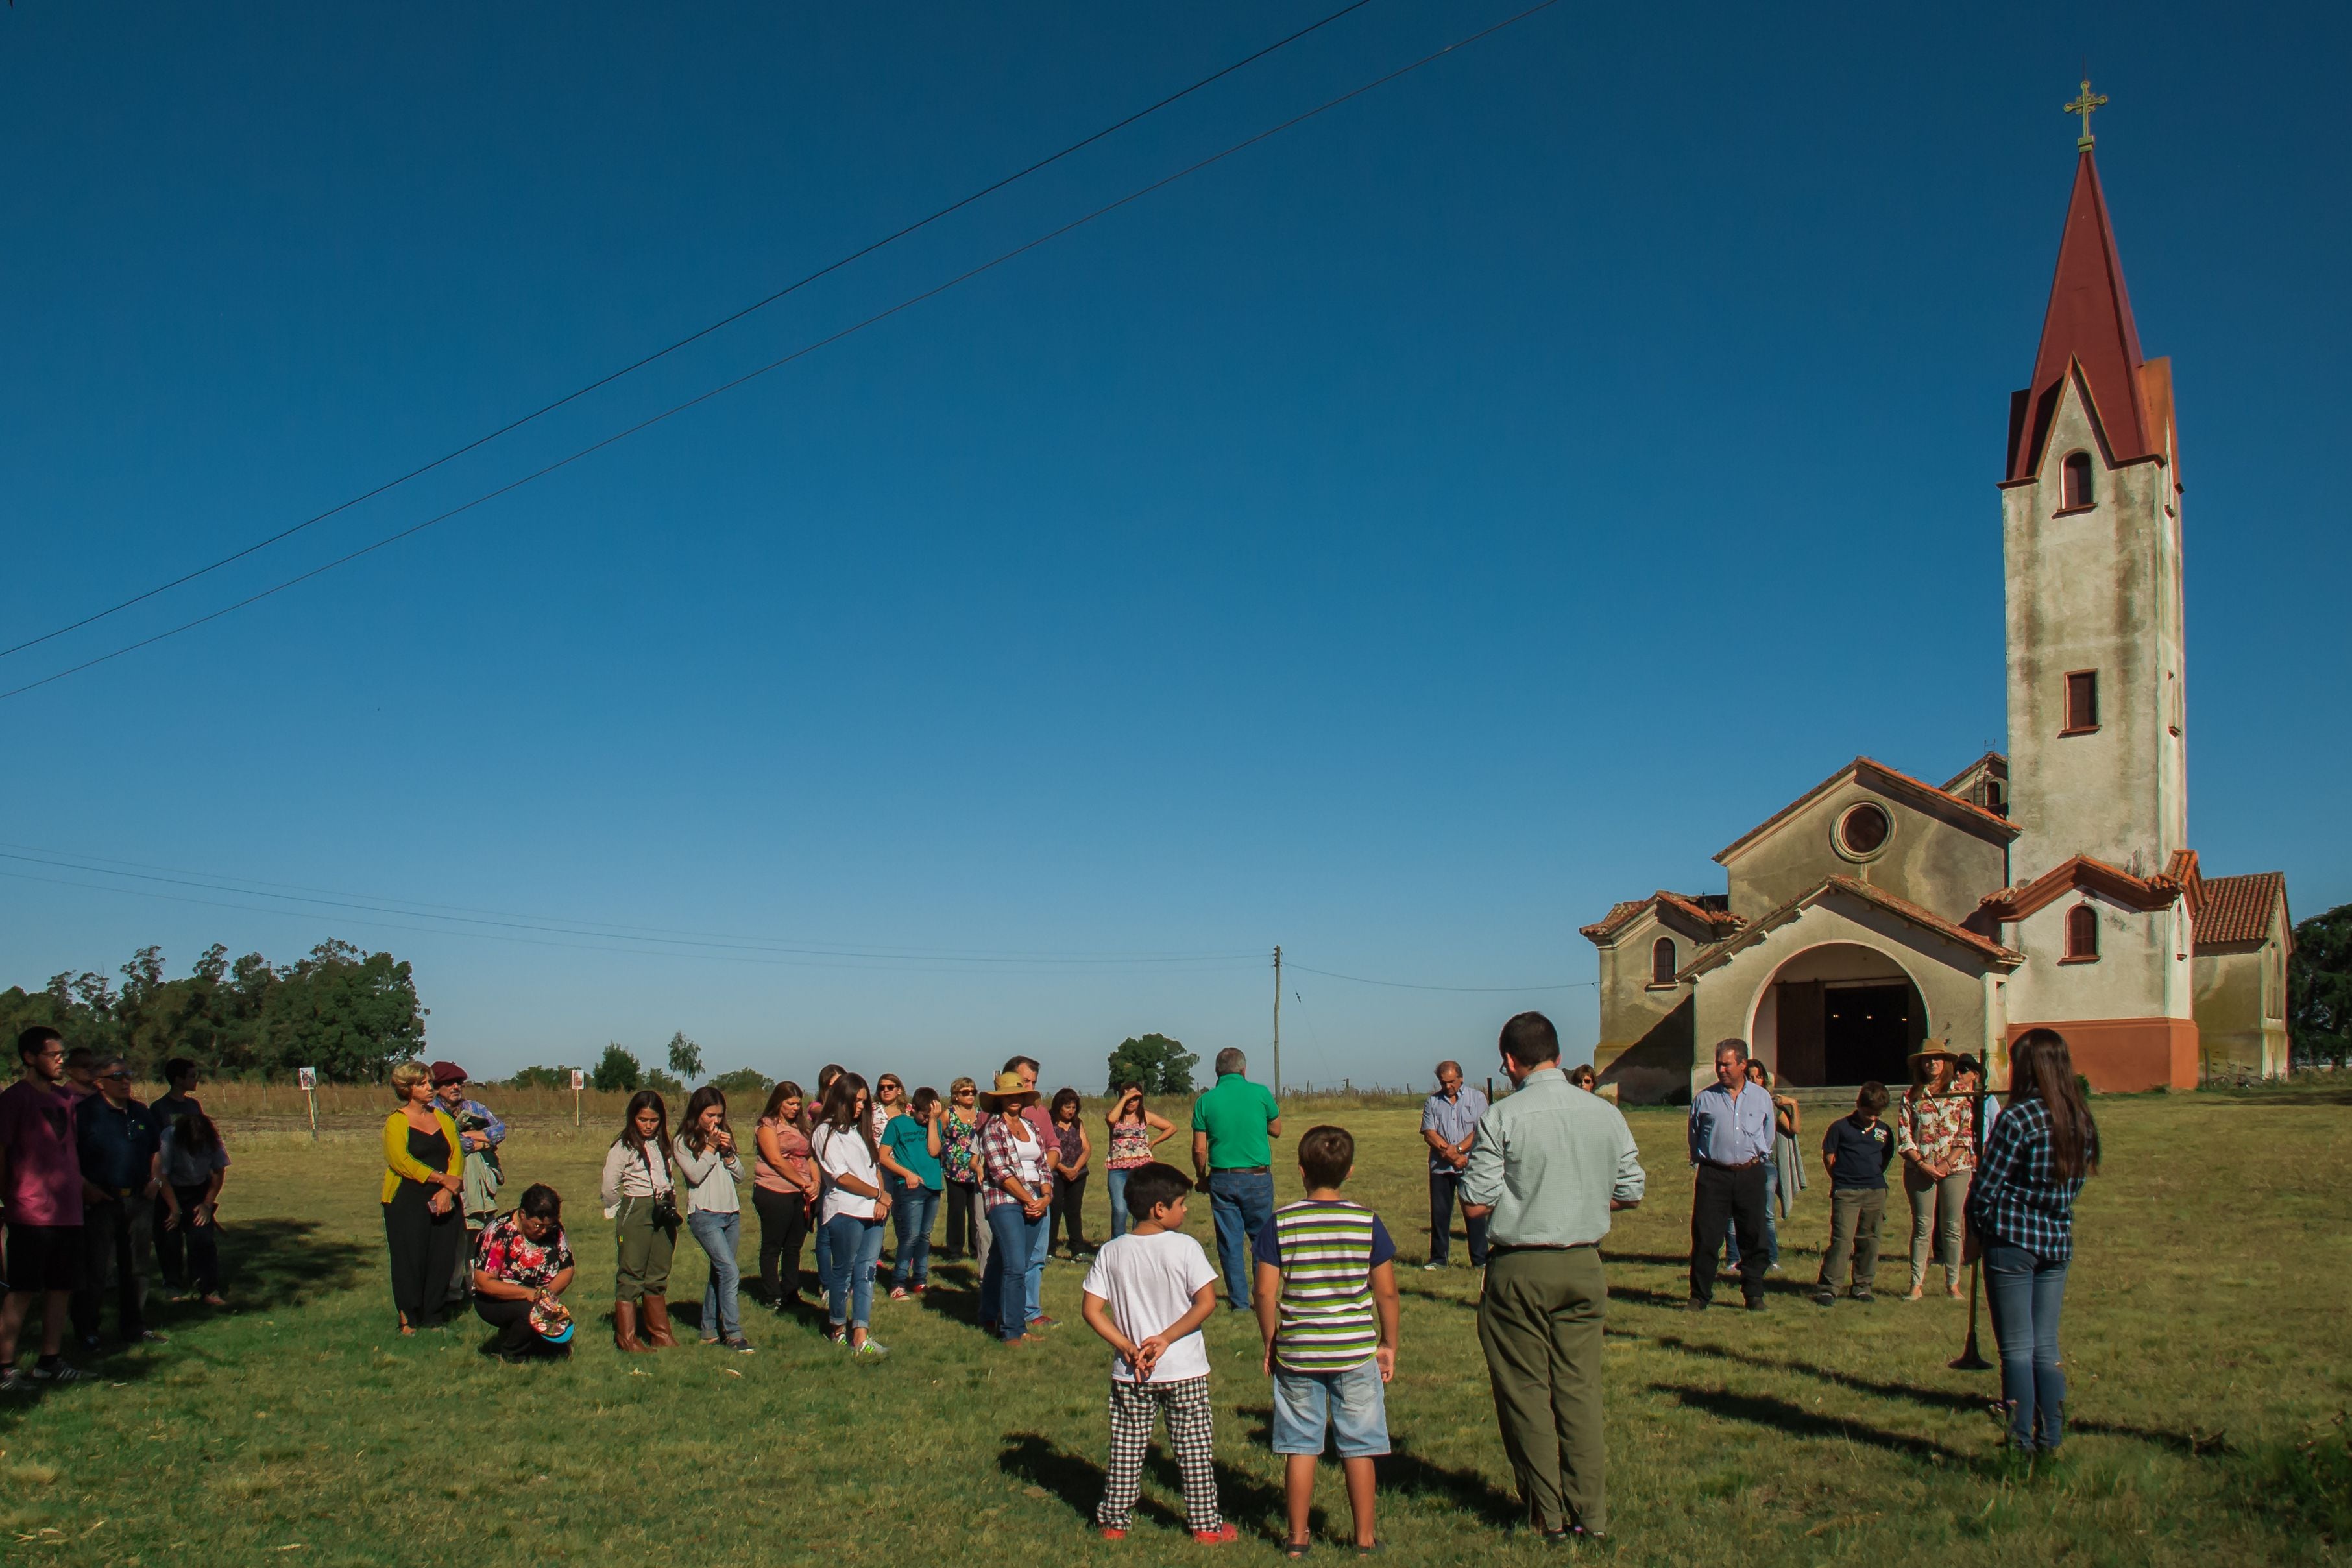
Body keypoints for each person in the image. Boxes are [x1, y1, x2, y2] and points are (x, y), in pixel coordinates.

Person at [1461, 1011, 1645, 1546]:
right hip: (1585, 1264)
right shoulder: (1603, 1113)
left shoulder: (1501, 1116)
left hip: (1520, 1264)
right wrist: (1583, 1197)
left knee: (1525, 1392)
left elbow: (1474, 1202)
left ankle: (1548, 1514)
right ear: (1559, 1056)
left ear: (1510, 1062)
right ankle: (1593, 1512)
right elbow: (1631, 1188)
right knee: (1579, 1391)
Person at [1254, 1126, 1400, 1557]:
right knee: (1359, 1444)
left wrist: (1270, 1341)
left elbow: (1264, 1292)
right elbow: (1386, 1291)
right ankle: (1364, 1539)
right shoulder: (1366, 1220)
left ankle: (1296, 1538)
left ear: (1300, 1171)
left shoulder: (1281, 1221)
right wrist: (1388, 1342)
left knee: (1299, 1444)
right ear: (1349, 1171)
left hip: (1298, 1348)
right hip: (1355, 1350)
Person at [1079, 1161, 1234, 1545]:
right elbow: (1206, 1302)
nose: (1187, 1211)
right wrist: (1166, 1339)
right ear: (1160, 1209)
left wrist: (1126, 1347)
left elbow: (1091, 1310)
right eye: (1182, 1204)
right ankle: (1206, 1527)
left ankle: (1114, 1522)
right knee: (1194, 1450)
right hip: (1184, 1369)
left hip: (1131, 1372)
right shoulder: (1186, 1247)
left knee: (1126, 1450)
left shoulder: (1112, 1251)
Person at [1967, 1028, 2098, 1452]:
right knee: (2045, 1347)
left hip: (2012, 1240)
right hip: (2056, 1240)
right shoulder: (2079, 1117)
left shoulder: (2017, 1117)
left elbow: (1986, 1186)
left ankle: (2020, 1439)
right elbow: (2075, 1183)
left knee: (2017, 1350)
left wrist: (1980, 1229)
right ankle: (2051, 1438)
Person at [0, 1028, 95, 1388]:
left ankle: (49, 1362)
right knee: (23, 1289)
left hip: (68, 1211)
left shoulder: (66, 1101)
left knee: (61, 1288)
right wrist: (6, 1198)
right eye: (53, 1054)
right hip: (29, 1212)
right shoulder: (14, 1099)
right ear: (29, 1057)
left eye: (62, 1054)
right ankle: (5, 1367)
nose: (60, 1060)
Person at [71, 1055, 163, 1349]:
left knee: (136, 1268)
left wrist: (155, 1181)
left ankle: (134, 1326)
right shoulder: (84, 1114)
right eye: (117, 1076)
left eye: (128, 1075)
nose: (125, 1081)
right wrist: (86, 1188)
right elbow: (68, 1158)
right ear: (100, 1083)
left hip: (138, 1199)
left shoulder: (141, 1113)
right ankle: (88, 1330)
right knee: (97, 1268)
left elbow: (156, 1150)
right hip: (101, 1200)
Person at [1191, 1047, 1283, 1312]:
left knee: (1230, 1242)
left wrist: (1201, 1176)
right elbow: (1276, 1129)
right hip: (1257, 1177)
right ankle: (1263, 1297)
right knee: (1262, 1240)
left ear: (1217, 1072)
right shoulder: (1261, 1093)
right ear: (1244, 1070)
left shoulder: (1205, 1101)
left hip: (1223, 1178)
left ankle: (1239, 1303)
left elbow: (1199, 1149)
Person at [1686, 1038, 1775, 1312]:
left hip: (1750, 1173)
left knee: (1753, 1236)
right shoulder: (1705, 1099)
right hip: (1714, 1175)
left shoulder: (1761, 1098)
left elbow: (1768, 1135)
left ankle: (1754, 1294)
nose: (1721, 1069)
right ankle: (1700, 1296)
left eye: (1727, 1064)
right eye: (1718, 1064)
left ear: (1742, 1064)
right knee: (1707, 1237)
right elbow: (1694, 1136)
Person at [380, 1059, 465, 1335]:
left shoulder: (443, 1119)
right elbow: (400, 1160)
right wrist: (440, 1179)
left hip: (445, 1198)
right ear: (407, 1088)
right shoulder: (397, 1121)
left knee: (442, 1257)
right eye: (423, 1084)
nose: (430, 1088)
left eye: (430, 1082)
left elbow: (455, 1156)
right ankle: (408, 1318)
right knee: (410, 1258)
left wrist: (447, 1190)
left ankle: (434, 1316)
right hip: (408, 1199)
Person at [810, 1073, 890, 1358]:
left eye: (864, 1102)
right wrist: (876, 1194)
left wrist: (882, 1196)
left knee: (866, 1273)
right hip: (844, 1211)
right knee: (843, 1272)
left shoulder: (858, 1132)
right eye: (856, 1100)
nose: (860, 1106)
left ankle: (861, 1334)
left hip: (872, 1213)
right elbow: (841, 1177)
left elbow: (875, 1167)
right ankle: (836, 1328)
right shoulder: (825, 1132)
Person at [598, 1090, 680, 1353]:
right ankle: (628, 1338)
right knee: (632, 1273)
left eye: (654, 1120)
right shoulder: (623, 1147)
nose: (648, 1125)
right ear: (633, 1118)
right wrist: (618, 1209)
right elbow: (609, 1185)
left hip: (663, 1206)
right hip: (637, 1206)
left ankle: (660, 1333)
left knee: (658, 1272)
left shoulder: (662, 1144)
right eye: (643, 1120)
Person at [976, 1070, 1052, 1346]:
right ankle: (1012, 1329)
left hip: (1035, 1197)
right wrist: (1029, 1200)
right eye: (1008, 1095)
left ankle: (995, 1314)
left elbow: (1043, 1164)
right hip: (1005, 1200)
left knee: (1008, 1260)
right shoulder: (992, 1130)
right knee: (1015, 1264)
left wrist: (1044, 1196)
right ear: (999, 1099)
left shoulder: (1032, 1128)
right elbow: (1000, 1172)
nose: (1014, 1100)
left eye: (1018, 1094)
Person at [676, 1086, 753, 1351]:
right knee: (730, 1272)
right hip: (704, 1214)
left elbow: (741, 1176)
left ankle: (708, 1330)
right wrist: (709, 1148)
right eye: (710, 1115)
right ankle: (733, 1333)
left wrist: (729, 1153)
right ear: (697, 1112)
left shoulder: (724, 1137)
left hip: (730, 1213)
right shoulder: (683, 1142)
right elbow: (694, 1175)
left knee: (719, 1273)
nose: (716, 1121)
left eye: (720, 1116)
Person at [1898, 1046, 1976, 1301]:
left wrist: (1947, 1163)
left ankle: (1953, 1284)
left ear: (1946, 1063)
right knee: (1923, 1226)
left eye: (1937, 1059)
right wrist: (1922, 1164)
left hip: (1956, 1168)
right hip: (1920, 1169)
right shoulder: (1911, 1096)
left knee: (1952, 1226)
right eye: (1927, 1060)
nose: (1932, 1063)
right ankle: (1916, 1284)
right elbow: (1905, 1135)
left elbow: (1967, 1132)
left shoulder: (1962, 1094)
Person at [473, 1183, 578, 1362]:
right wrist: (528, 1294)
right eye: (538, 1225)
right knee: (528, 1312)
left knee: (560, 1338)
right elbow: (484, 1282)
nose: (544, 1231)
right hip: (496, 1298)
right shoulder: (499, 1233)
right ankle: (511, 1354)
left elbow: (567, 1268)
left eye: (548, 1226)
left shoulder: (555, 1231)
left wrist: (547, 1294)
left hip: (538, 1294)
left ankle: (540, 1345)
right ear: (523, 1215)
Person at [430, 1061, 506, 1309]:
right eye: (449, 1083)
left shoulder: (474, 1108)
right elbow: (452, 1145)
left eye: (459, 1083)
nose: (456, 1087)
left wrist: (472, 1139)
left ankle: (476, 1285)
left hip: (481, 1185)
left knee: (480, 1236)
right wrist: (481, 1141)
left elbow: (500, 1131)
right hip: (449, 1183)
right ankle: (452, 1291)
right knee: (455, 1240)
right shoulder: (432, 1111)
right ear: (437, 1086)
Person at [1813, 1082, 1895, 1306]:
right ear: (1858, 1105)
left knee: (1870, 1240)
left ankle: (1862, 1286)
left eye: (1877, 1114)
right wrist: (1840, 1179)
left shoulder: (1884, 1131)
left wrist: (1874, 1178)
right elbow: (1829, 1156)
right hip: (1847, 1191)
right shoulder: (1840, 1128)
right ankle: (1829, 1287)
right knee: (1842, 1240)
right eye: (1869, 1113)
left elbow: (1886, 1157)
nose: (1873, 1118)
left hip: (1875, 1190)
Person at [1725, 1058, 1802, 1275]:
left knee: (1766, 1213)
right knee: (1733, 1214)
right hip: (1737, 1163)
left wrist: (1792, 1105)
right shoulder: (1733, 1102)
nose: (1754, 1080)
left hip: (1765, 1165)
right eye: (1750, 1076)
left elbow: (1794, 1129)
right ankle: (1733, 1259)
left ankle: (1771, 1258)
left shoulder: (1768, 1104)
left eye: (1758, 1076)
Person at [1002, 1055, 1059, 1327]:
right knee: (1009, 1258)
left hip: (1039, 1192)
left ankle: (1031, 1311)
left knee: (1036, 1256)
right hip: (1007, 1197)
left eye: (1034, 1082)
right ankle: (1002, 1313)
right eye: (1025, 1081)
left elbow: (1053, 1147)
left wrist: (1044, 1189)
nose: (1030, 1087)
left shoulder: (1040, 1113)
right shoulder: (991, 1117)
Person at [753, 1081, 818, 1309]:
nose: (795, 1108)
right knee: (773, 1245)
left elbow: (810, 1157)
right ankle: (772, 1294)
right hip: (774, 1190)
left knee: (794, 1246)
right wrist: (802, 1181)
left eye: (798, 1104)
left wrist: (815, 1183)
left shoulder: (802, 1127)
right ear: (778, 1102)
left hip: (801, 1193)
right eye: (790, 1103)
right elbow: (776, 1160)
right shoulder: (767, 1126)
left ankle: (791, 1291)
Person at [1420, 1059, 1489, 1271]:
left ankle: (1480, 1260)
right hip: (1441, 1168)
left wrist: (1459, 1151)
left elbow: (1480, 1131)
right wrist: (1450, 1155)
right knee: (1440, 1214)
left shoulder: (1477, 1098)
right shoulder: (1432, 1102)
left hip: (1469, 1164)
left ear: (1461, 1078)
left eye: (1451, 1082)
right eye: (1443, 1083)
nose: (1448, 1086)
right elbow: (1429, 1133)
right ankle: (1439, 1259)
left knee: (1474, 1213)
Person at [157, 1106, 229, 1307]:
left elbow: (218, 1172)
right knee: (169, 1239)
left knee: (203, 1239)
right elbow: (161, 1176)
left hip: (199, 1192)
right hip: (170, 1191)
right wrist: (175, 1209)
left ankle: (207, 1288)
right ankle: (172, 1286)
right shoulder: (169, 1138)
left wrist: (207, 1205)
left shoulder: (213, 1140)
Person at [879, 1086, 944, 1299]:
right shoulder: (897, 1124)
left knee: (925, 1236)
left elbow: (934, 1150)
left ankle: (920, 1279)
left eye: (930, 1116)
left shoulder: (935, 1124)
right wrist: (907, 1174)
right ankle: (898, 1282)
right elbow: (884, 1156)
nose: (926, 1120)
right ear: (912, 1108)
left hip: (933, 1186)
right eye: (924, 1116)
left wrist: (934, 1121)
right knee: (910, 1236)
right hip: (910, 1188)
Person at [150, 1057, 206, 1294]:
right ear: (178, 1079)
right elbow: (155, 1149)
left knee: (199, 1236)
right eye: (192, 1076)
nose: (196, 1080)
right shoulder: (159, 1108)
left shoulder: (194, 1107)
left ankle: (201, 1281)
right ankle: (172, 1282)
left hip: (192, 1179)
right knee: (169, 1237)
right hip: (167, 1182)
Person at [1102, 1084, 1176, 1241]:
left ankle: (1137, 1244)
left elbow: (1171, 1127)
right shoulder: (1115, 1116)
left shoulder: (1145, 1116)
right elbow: (1110, 1119)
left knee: (1139, 1210)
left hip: (1141, 1170)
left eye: (1135, 1098)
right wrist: (1126, 1097)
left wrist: (1154, 1142)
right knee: (1120, 1209)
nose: (1131, 1102)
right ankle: (1117, 1245)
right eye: (1127, 1097)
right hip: (1117, 1169)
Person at [939, 1077, 986, 1262]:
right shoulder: (948, 1114)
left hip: (977, 1171)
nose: (970, 1096)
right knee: (956, 1211)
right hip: (954, 1171)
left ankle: (976, 1249)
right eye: (965, 1092)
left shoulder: (980, 1114)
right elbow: (937, 1135)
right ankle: (955, 1250)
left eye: (973, 1092)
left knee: (976, 1211)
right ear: (956, 1095)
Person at [1048, 1088, 1094, 1260]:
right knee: (1054, 1210)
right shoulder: (1050, 1124)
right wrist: (1063, 1169)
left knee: (1074, 1211)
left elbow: (1087, 1148)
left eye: (1073, 1107)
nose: (1071, 1111)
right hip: (1056, 1174)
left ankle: (1077, 1250)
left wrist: (1075, 1169)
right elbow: (1046, 1150)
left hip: (1078, 1175)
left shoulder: (1078, 1124)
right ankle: (1049, 1250)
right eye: (1067, 1107)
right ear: (1059, 1107)